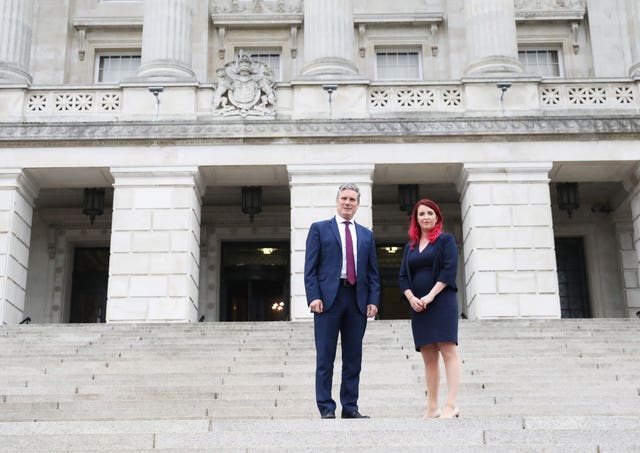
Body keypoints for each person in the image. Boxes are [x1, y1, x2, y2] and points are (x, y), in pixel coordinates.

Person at [304, 183, 381, 419]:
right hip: (328, 300)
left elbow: (373, 272)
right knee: (325, 357)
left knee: (353, 358)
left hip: (357, 299)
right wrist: (314, 296)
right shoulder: (319, 229)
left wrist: (373, 300)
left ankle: (350, 407)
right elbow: (310, 268)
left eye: (353, 199)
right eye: (344, 198)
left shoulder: (366, 235)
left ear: (358, 204)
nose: (348, 203)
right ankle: (326, 407)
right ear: (337, 201)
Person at [399, 199, 461, 419]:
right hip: (419, 306)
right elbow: (404, 277)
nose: (425, 217)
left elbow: (448, 270)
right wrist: (412, 298)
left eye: (430, 213)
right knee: (428, 357)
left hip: (442, 302)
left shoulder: (445, 240)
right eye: (421, 214)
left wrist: (430, 295)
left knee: (448, 350)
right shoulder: (410, 247)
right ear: (416, 219)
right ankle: (432, 407)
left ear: (437, 217)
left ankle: (451, 404)